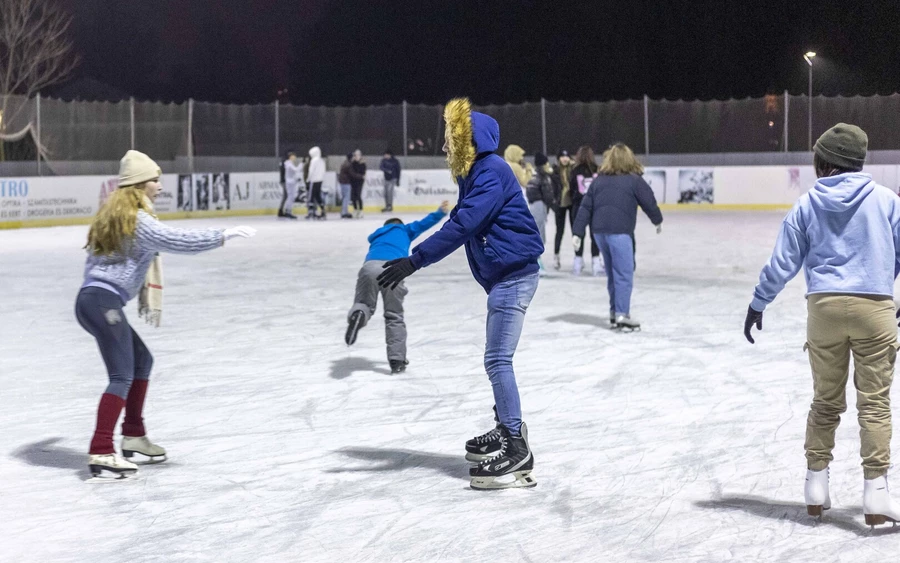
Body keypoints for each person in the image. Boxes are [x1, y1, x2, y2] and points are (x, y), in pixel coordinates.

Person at [377, 98, 544, 490]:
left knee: (498, 360)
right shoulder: (476, 173)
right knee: (496, 360)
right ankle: (507, 429)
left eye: (451, 138)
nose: (445, 146)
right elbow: (460, 220)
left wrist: (415, 260)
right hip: (505, 277)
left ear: (467, 140)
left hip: (515, 277)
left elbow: (465, 224)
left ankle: (516, 444)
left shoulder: (491, 171)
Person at [744, 123, 900, 528]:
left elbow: (782, 264)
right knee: (875, 403)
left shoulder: (806, 203)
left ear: (824, 160)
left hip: (824, 310)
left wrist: (759, 303)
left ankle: (816, 485)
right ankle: (877, 492)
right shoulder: (887, 200)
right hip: (875, 309)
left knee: (825, 401)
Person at [78, 150, 256, 480]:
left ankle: (133, 433)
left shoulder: (115, 215)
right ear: (140, 184)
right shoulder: (138, 220)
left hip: (93, 300)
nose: (160, 185)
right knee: (121, 376)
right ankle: (102, 449)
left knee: (141, 361)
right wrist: (221, 236)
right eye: (155, 179)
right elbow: (177, 240)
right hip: (103, 303)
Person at [345, 202, 450, 373]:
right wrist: (440, 213)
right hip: (393, 269)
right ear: (399, 225)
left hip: (369, 267)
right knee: (394, 314)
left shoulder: (377, 236)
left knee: (363, 303)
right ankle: (397, 360)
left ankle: (359, 315)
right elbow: (425, 223)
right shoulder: (405, 230)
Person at [572, 143, 662, 331]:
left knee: (613, 274)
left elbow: (586, 206)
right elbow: (649, 201)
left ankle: (614, 313)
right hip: (619, 232)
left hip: (599, 234)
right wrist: (657, 220)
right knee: (623, 274)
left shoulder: (599, 180)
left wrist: (578, 232)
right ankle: (622, 314)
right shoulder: (634, 180)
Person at [570, 146, 602, 275]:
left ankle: (577, 262)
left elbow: (572, 187)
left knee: (578, 234)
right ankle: (596, 263)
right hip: (595, 207)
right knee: (595, 235)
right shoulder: (597, 170)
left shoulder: (574, 170)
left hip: (579, 206)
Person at [525, 152, 555, 270]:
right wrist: (553, 205)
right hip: (539, 205)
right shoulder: (543, 176)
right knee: (539, 233)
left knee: (537, 231)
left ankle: (536, 260)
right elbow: (548, 194)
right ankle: (536, 261)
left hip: (534, 205)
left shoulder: (533, 175)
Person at [552, 150, 575, 270]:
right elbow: (552, 188)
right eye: (562, 157)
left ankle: (578, 257)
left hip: (572, 203)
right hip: (560, 204)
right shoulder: (555, 171)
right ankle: (556, 256)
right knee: (559, 231)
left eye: (567, 156)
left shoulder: (573, 169)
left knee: (575, 231)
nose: (565, 159)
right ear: (559, 158)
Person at [306, 146, 326, 220]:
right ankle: (323, 210)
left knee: (311, 197)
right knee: (318, 196)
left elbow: (311, 171)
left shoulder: (314, 161)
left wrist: (308, 179)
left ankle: (311, 212)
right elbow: (323, 171)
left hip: (314, 181)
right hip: (320, 180)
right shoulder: (321, 161)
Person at [282, 151, 303, 219]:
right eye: (294, 156)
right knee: (291, 197)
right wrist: (301, 164)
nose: (295, 157)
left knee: (292, 196)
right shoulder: (288, 164)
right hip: (290, 182)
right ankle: (288, 211)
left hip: (291, 182)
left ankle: (289, 211)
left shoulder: (289, 163)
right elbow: (296, 170)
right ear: (290, 156)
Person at [350, 149, 367, 218]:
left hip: (360, 181)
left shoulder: (362, 164)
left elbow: (362, 173)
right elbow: (351, 172)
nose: (357, 156)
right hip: (353, 181)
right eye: (355, 155)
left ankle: (361, 210)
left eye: (358, 155)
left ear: (360, 156)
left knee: (358, 195)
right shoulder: (352, 163)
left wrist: (359, 176)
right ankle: (355, 209)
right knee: (353, 197)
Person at [338, 153, 354, 219]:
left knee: (345, 197)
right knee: (346, 198)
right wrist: (360, 176)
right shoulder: (348, 165)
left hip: (343, 182)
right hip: (346, 182)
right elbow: (352, 173)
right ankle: (344, 212)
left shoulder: (345, 163)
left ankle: (344, 211)